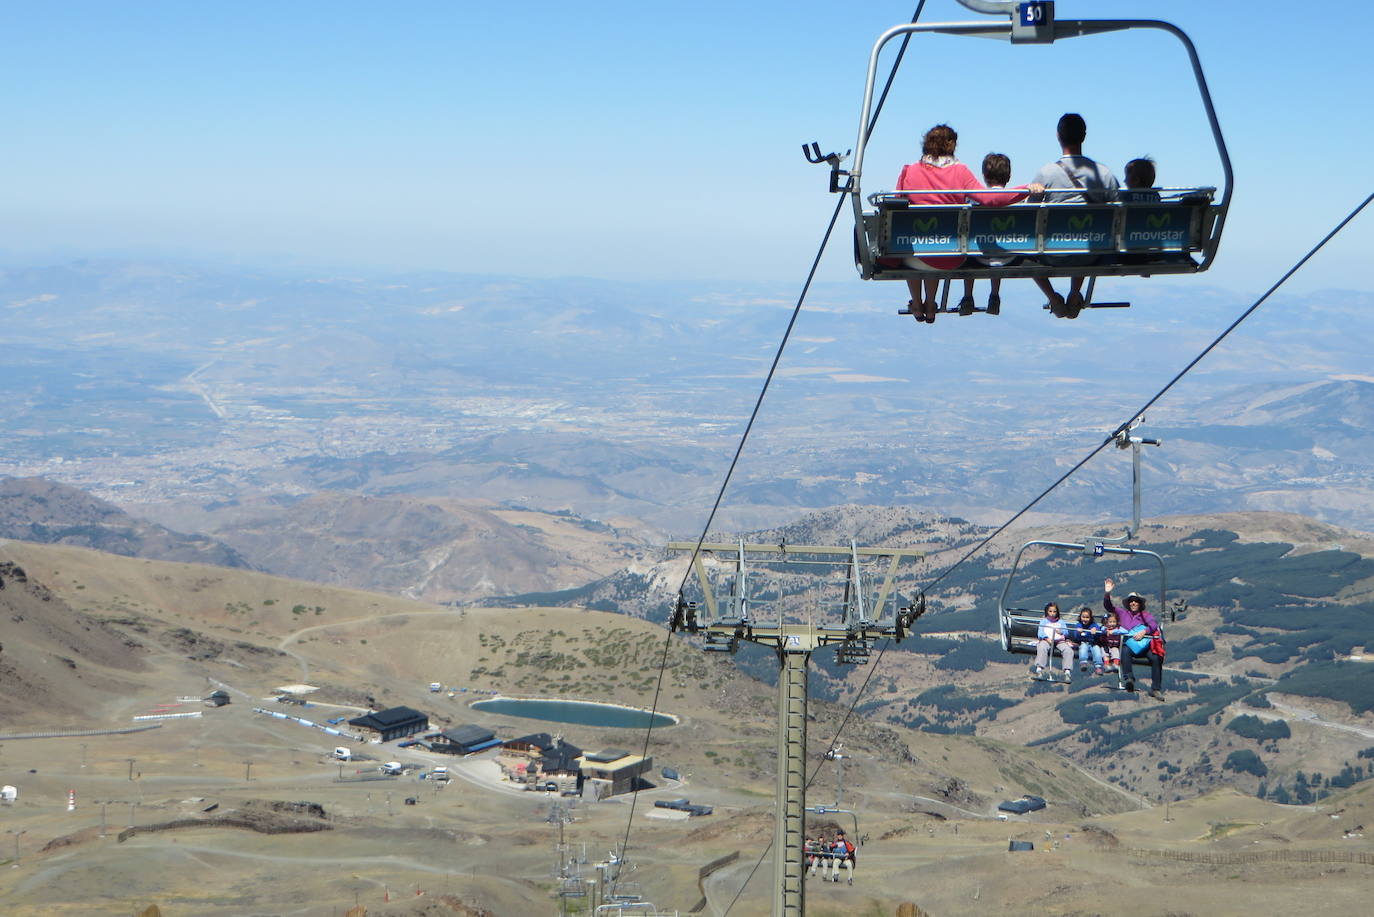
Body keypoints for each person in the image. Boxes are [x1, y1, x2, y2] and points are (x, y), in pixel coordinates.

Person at [1029, 113, 1120, 319]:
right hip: (1092, 253)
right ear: (1084, 136)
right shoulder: (1103, 174)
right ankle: (1075, 291)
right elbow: (1118, 210)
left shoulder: (1046, 173)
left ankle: (1053, 298)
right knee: (1085, 235)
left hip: (1053, 253)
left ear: (1058, 136)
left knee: (1026, 253)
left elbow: (1030, 214)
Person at [971, 152, 1041, 315]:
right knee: (1001, 243)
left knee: (973, 244)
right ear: (1008, 176)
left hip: (977, 256)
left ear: (984, 176)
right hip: (1010, 257)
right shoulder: (1019, 199)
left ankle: (968, 295)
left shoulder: (975, 200)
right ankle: (994, 294)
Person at [1103, 578, 1164, 696]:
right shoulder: (1123, 613)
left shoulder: (1145, 615)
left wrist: (1144, 631)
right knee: (1125, 650)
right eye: (1131, 601)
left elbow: (1153, 625)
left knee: (1156, 658)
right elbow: (1109, 607)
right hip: (1130, 646)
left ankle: (1155, 689)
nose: (1133, 603)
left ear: (1140, 603)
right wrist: (1107, 593)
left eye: (1136, 601)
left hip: (1143, 646)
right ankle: (1129, 679)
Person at [1033, 602, 1073, 681]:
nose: (1052, 614)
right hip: (1047, 640)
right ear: (1047, 612)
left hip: (1059, 641)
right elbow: (1040, 633)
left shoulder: (1061, 622)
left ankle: (1067, 671)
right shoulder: (1044, 622)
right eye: (1050, 611)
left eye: (1054, 612)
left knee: (1068, 650)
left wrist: (1061, 632)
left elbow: (1066, 632)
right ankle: (1039, 669)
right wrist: (1046, 638)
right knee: (1042, 647)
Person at [1067, 606, 1105, 674]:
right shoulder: (1079, 625)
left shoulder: (1094, 625)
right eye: (1083, 617)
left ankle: (1098, 666)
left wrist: (1095, 631)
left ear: (1090, 618)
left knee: (1097, 651)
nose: (1085, 619)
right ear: (1080, 617)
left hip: (1093, 643)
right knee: (1083, 648)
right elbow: (1076, 637)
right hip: (1083, 642)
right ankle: (1083, 662)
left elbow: (1098, 634)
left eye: (1087, 617)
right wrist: (1078, 632)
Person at [1100, 609, 1124, 673]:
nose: (1112, 624)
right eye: (1110, 622)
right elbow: (1102, 629)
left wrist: (1114, 631)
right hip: (1106, 645)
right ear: (1106, 623)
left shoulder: (1118, 628)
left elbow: (1125, 631)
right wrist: (1106, 630)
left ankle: (1116, 664)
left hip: (1114, 645)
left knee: (1115, 651)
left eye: (1114, 622)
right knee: (1105, 653)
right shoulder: (1104, 628)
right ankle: (1106, 665)